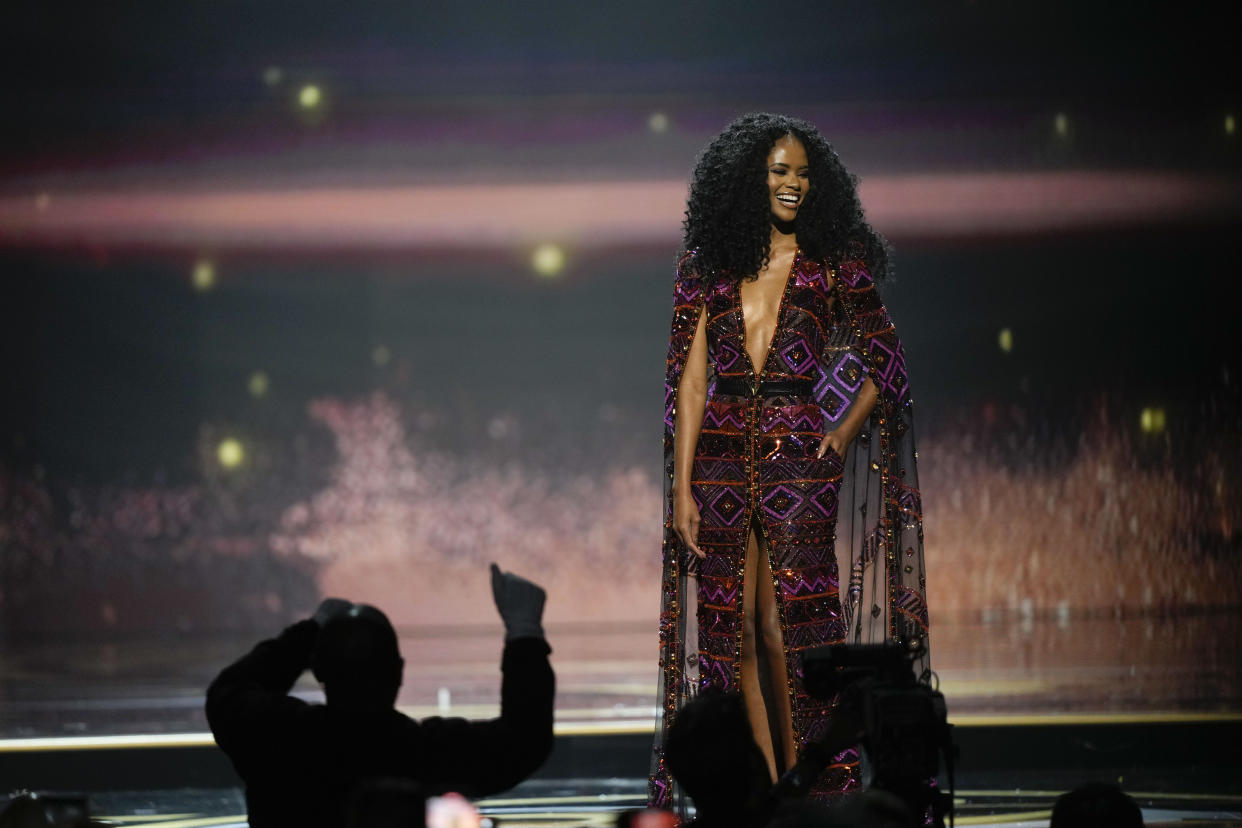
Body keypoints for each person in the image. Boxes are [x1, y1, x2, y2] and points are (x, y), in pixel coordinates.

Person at [650, 113, 930, 807]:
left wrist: (838, 436)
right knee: (734, 633)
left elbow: (888, 367)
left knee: (785, 630)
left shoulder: (834, 264)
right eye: (780, 171)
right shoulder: (704, 266)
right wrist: (682, 487)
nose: (793, 185)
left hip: (798, 460)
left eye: (804, 173)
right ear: (750, 178)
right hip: (717, 456)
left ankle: (813, 791)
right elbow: (688, 381)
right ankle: (763, 792)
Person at [206, 563, 554, 828]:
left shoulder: (277, 742)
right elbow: (523, 739)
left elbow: (229, 692)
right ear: (398, 672)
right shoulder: (426, 754)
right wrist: (525, 633)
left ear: (320, 669)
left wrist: (308, 632)